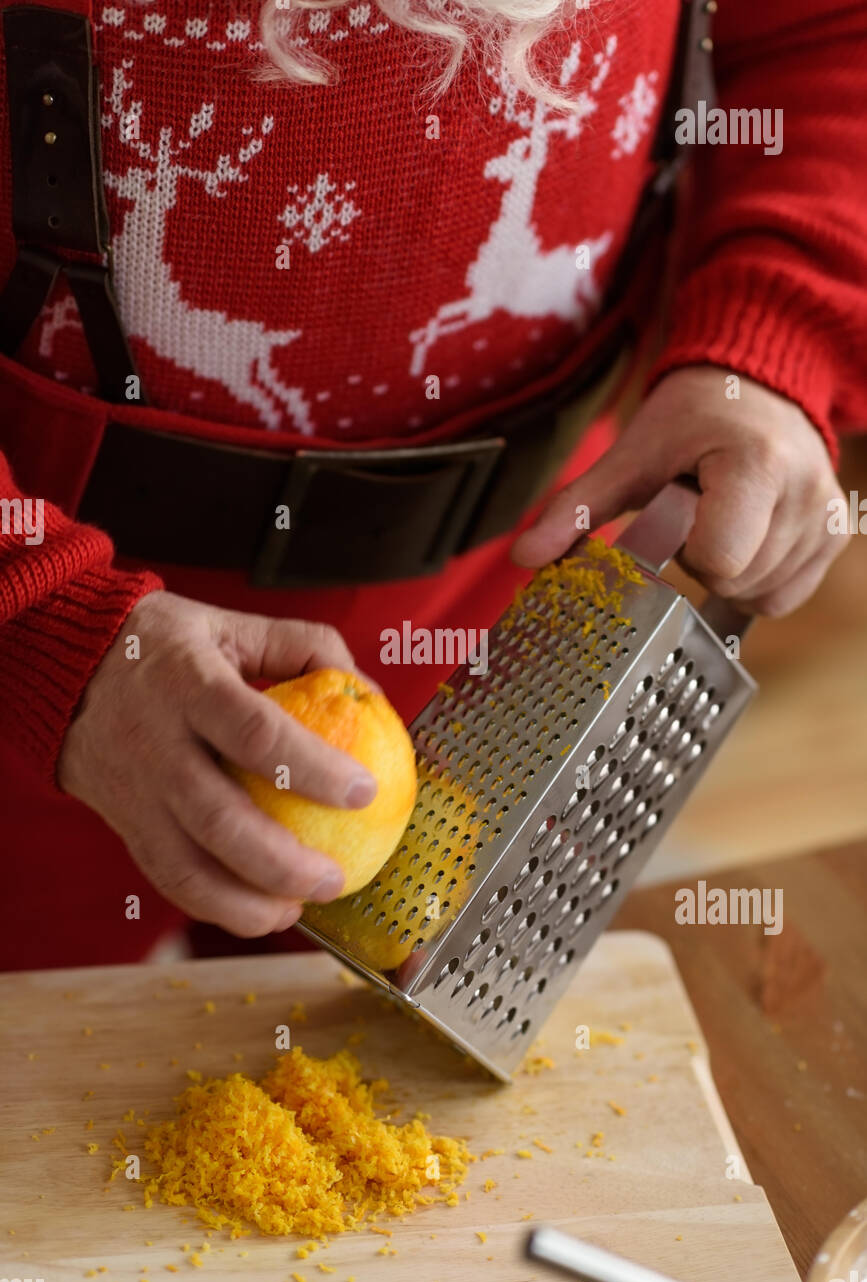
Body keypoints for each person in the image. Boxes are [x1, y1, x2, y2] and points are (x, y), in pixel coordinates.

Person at [1, 0, 864, 971]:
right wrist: (38, 619)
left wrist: (776, 340)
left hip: (509, 609)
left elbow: (823, 33)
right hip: (48, 653)